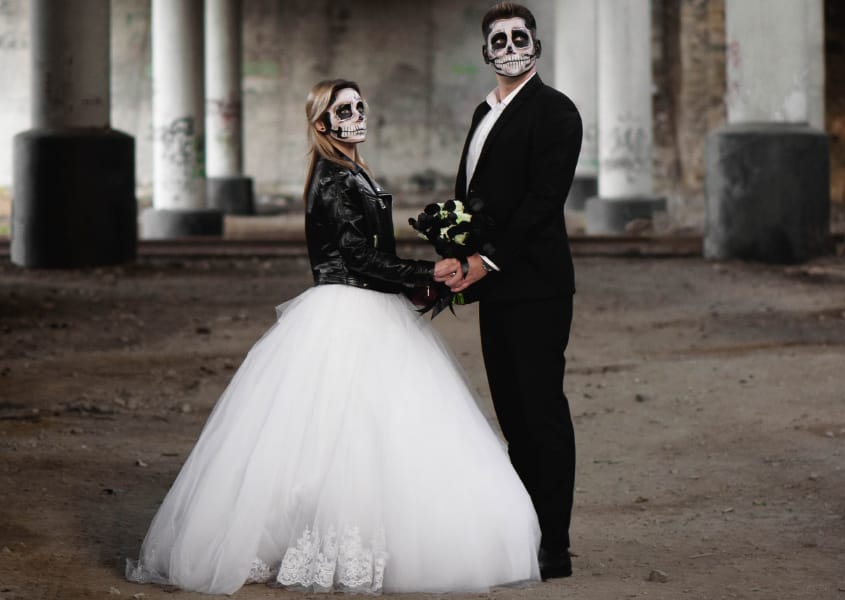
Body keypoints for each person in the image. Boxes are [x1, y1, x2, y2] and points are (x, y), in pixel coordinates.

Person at [125, 79, 541, 595]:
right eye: (344, 108)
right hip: (345, 308)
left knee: (367, 429)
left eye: (361, 103)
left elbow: (369, 254)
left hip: (368, 303)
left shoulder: (352, 170)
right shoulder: (334, 178)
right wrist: (424, 273)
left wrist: (412, 286)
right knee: (342, 432)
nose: (357, 113)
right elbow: (354, 256)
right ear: (323, 123)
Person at [434, 2, 583, 581]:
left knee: (541, 410)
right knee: (511, 414)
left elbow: (544, 201)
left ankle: (556, 545)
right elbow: (471, 196)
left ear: (537, 46)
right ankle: (526, 530)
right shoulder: (483, 111)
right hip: (491, 286)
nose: (511, 45)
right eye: (499, 39)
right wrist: (452, 252)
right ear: (486, 52)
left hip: (537, 287)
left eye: (522, 36)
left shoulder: (556, 112)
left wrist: (485, 259)